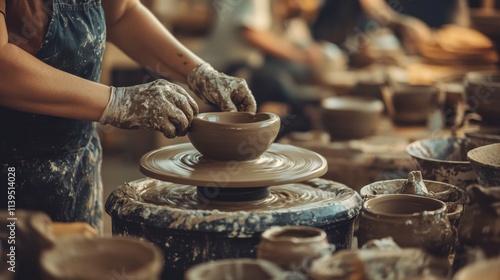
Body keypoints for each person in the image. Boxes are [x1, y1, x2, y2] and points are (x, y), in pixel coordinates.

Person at [0, 0, 256, 233]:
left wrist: (199, 73)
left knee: (77, 263)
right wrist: (119, 102)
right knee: (18, 261)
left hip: (78, 158)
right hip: (9, 171)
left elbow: (120, 15)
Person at [201, 0, 325, 135]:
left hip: (246, 68)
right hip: (223, 72)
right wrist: (298, 56)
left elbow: (301, 41)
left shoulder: (282, 7)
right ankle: (303, 119)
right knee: (276, 81)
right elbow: (250, 32)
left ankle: (294, 122)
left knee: (296, 74)